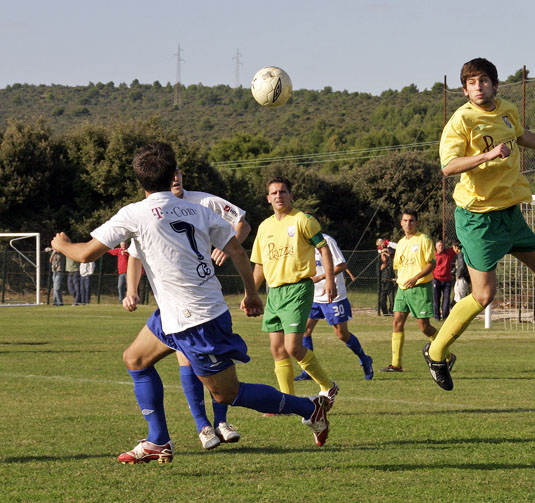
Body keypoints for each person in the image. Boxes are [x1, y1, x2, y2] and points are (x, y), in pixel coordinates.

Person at [51, 142, 331, 464]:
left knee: (227, 393)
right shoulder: (197, 209)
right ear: (173, 173)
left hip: (198, 319)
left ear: (139, 180)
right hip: (176, 312)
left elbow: (86, 253)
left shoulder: (134, 213)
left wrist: (62, 244)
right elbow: (236, 250)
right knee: (136, 359)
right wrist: (251, 294)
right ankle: (158, 440)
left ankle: (309, 407)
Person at [424, 58, 535, 391]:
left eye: (483, 80)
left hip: (509, 212)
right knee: (484, 295)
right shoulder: (462, 120)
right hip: (478, 218)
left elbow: (521, 135)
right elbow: (448, 166)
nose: (478, 87)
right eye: (472, 83)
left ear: (495, 85)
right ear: (465, 90)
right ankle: (436, 352)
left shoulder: (507, 110)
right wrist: (486, 156)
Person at [127, 165, 252, 450]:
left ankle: (220, 422)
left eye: (178, 174)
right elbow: (134, 255)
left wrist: (227, 246)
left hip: (205, 294)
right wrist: (132, 290)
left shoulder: (204, 202)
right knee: (186, 358)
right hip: (177, 302)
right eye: (170, 175)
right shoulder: (148, 212)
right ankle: (203, 426)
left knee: (217, 360)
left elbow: (242, 223)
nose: (175, 179)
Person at [250, 176, 339, 404]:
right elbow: (259, 264)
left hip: (298, 289)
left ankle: (327, 386)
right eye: (274, 193)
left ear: (290, 195)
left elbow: (324, 249)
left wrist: (330, 280)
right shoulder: (264, 226)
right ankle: (288, 402)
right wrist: (250, 293)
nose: (278, 196)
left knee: (292, 347)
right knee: (277, 349)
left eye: (283, 192)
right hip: (274, 292)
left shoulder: (303, 220)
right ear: (268, 198)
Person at [381, 209, 454, 373]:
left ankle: (448, 356)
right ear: (401, 223)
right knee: (397, 322)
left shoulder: (424, 239)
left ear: (417, 222)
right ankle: (396, 364)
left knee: (424, 327)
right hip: (402, 289)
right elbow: (399, 265)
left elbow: (431, 263)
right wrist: (387, 260)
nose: (408, 223)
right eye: (405, 220)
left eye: (411, 220)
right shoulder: (400, 243)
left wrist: (415, 278)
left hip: (420, 288)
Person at [294, 233, 374, 382]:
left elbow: (342, 265)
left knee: (342, 334)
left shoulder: (326, 240)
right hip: (313, 295)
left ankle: (365, 359)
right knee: (305, 330)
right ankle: (308, 371)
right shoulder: (300, 242)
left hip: (333, 295)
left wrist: (321, 277)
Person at [432, 239, 457, 320]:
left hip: (447, 280)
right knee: (436, 298)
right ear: (436, 246)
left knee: (446, 298)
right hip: (436, 279)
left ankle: (445, 316)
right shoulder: (433, 254)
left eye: (442, 245)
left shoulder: (448, 253)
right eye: (439, 245)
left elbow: (456, 248)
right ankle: (437, 316)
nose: (441, 247)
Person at [377, 239, 396, 316]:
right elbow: (377, 271)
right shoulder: (379, 259)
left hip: (391, 280)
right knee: (382, 299)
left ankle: (391, 311)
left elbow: (392, 255)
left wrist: (386, 252)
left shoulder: (390, 252)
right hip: (383, 281)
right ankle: (385, 312)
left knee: (392, 299)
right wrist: (381, 267)